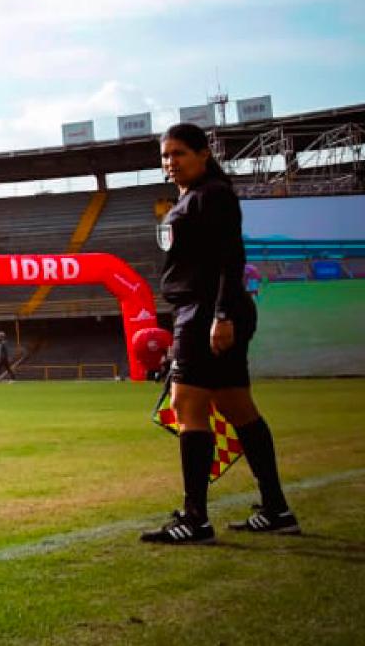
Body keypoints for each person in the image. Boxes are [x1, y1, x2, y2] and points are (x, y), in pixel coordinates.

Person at [141, 123, 296, 544]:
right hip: (204, 309)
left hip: (207, 310)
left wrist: (222, 315)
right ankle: (277, 508)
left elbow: (231, 257)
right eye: (165, 156)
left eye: (179, 153)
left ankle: (195, 519)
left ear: (203, 154)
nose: (170, 162)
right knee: (236, 405)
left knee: (186, 404)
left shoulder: (211, 195)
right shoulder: (194, 196)